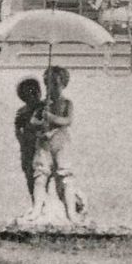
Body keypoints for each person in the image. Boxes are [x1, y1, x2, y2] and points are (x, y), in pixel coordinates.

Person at [33, 65, 84, 221]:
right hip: (44, 142)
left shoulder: (66, 103)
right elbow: (33, 121)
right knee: (40, 175)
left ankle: (71, 212)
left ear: (63, 85)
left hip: (61, 142)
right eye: (48, 85)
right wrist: (41, 121)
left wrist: (51, 117)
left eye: (56, 84)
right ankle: (36, 209)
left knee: (65, 176)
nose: (52, 88)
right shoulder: (42, 105)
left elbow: (67, 120)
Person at [13, 76, 45, 216]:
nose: (33, 96)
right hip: (27, 147)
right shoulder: (22, 112)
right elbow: (17, 129)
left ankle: (44, 204)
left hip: (42, 146)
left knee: (42, 175)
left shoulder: (44, 108)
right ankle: (35, 202)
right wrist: (22, 142)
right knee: (30, 176)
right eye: (29, 93)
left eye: (35, 92)